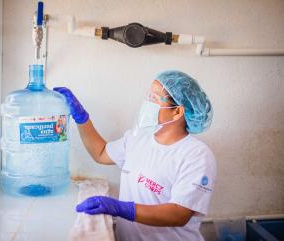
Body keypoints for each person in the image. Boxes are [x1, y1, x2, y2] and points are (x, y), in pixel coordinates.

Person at [54, 70, 216, 241]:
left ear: (177, 112)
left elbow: (179, 214)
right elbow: (100, 153)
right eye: (148, 96)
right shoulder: (138, 138)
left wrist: (121, 208)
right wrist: (81, 117)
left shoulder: (197, 155)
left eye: (154, 98)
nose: (147, 103)